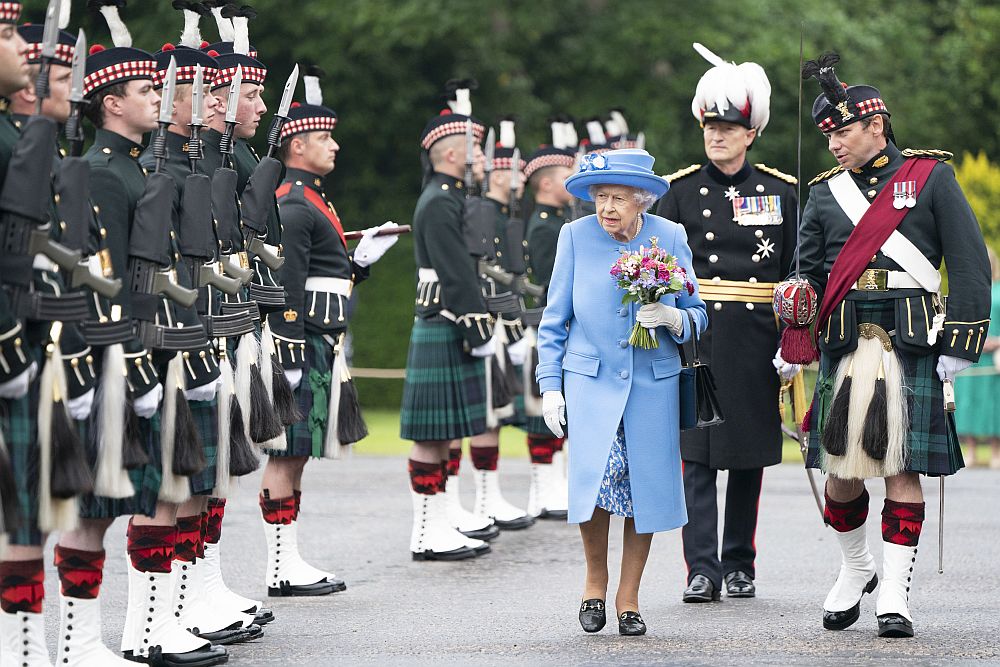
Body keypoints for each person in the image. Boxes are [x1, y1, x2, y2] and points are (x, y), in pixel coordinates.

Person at [785, 52, 990, 638]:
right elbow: (809, 276)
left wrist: (959, 343)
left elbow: (970, 267)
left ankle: (895, 596)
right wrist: (794, 332)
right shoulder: (824, 195)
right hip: (845, 340)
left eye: (843, 131)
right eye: (827, 135)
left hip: (912, 338)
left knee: (903, 467)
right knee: (841, 474)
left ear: (876, 125)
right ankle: (855, 568)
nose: (833, 145)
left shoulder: (931, 178)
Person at [80, 2, 227, 663]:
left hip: (161, 341)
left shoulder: (137, 167)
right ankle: (93, 639)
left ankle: (151, 627)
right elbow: (109, 271)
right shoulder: (104, 172)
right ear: (112, 103)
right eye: (144, 89)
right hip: (126, 348)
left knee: (161, 490)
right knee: (114, 502)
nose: (157, 98)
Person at [536, 148, 707, 635]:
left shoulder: (669, 237)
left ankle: (628, 599)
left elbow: (698, 313)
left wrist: (674, 317)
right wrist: (550, 386)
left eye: (618, 198)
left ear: (642, 201)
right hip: (589, 384)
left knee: (644, 492)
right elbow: (554, 321)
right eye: (600, 197)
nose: (607, 208)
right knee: (595, 487)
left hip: (653, 386)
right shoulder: (573, 237)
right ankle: (595, 583)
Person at [655, 44, 798, 603]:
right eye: (710, 125)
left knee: (745, 458)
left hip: (756, 339)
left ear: (750, 133)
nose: (717, 136)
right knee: (696, 457)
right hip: (696, 337)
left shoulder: (782, 192)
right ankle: (702, 567)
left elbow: (796, 273)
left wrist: (795, 340)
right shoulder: (679, 191)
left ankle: (740, 564)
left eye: (729, 127)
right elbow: (660, 270)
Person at [267, 69, 398, 594]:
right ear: (298, 144)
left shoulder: (313, 196)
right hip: (305, 337)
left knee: (298, 452)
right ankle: (280, 566)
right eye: (325, 137)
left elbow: (328, 268)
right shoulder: (294, 201)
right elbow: (289, 280)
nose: (335, 145)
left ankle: (288, 558)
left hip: (324, 334)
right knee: (286, 451)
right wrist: (291, 344)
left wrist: (359, 263)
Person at [401, 84, 496, 561]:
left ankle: (438, 522)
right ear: (453, 152)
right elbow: (455, 270)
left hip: (449, 321)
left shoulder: (452, 196)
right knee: (431, 435)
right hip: (446, 319)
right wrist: (477, 321)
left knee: (444, 434)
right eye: (475, 145)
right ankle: (424, 530)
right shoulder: (439, 200)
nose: (480, 154)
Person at [520, 118, 578, 519]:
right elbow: (549, 284)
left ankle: (554, 484)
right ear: (545, 183)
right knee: (547, 410)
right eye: (565, 177)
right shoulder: (545, 229)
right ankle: (543, 490)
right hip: (547, 322)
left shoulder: (558, 224)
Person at [953, 246, 1000, 468]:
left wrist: (997, 342)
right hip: (971, 354)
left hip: (995, 359)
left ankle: (995, 451)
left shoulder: (999, 290)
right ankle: (969, 450)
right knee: (968, 402)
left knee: (992, 403)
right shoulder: (968, 290)